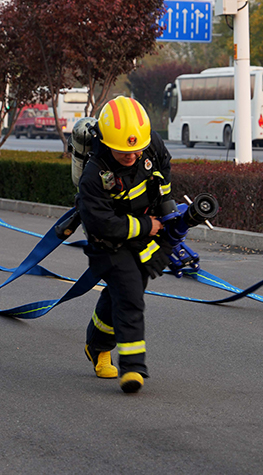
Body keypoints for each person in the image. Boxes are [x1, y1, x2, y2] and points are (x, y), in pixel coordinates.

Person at [77, 95, 173, 394]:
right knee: (130, 296)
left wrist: (165, 203)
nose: (130, 156)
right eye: (122, 151)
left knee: (122, 294)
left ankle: (97, 345)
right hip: (108, 245)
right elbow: (101, 223)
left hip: (143, 236)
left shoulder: (149, 144)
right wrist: (147, 225)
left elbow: (164, 168)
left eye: (135, 150)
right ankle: (133, 368)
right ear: (106, 142)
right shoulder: (94, 175)